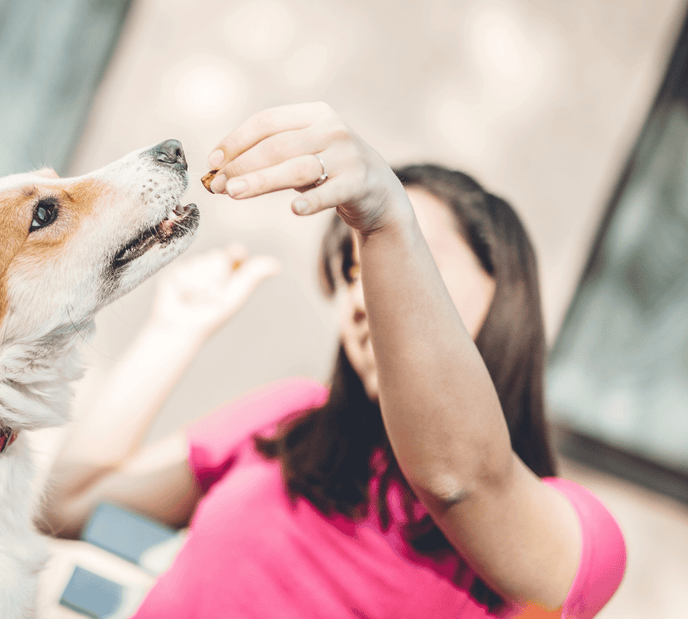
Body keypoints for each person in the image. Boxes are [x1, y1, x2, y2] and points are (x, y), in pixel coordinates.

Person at [42, 102, 626, 618]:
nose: (364, 294)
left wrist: (387, 218)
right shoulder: (292, 420)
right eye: (352, 270)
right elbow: (66, 506)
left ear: (503, 292)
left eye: (412, 258)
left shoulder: (578, 531)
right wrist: (175, 329)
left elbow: (459, 479)